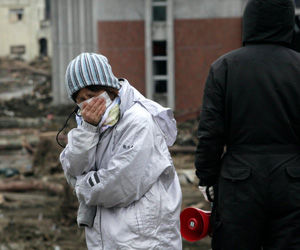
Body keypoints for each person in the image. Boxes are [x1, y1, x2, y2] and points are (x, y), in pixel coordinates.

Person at [195, 0, 300, 249]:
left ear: (249, 22)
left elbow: (210, 133)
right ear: (288, 23)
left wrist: (206, 177)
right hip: (293, 181)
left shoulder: (224, 68)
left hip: (238, 182)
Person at [59, 53, 182, 249]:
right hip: (106, 240)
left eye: (91, 96)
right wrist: (87, 130)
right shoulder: (89, 126)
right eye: (81, 100)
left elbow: (118, 184)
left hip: (142, 241)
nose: (88, 104)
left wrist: (81, 187)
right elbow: (72, 167)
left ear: (108, 87)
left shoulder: (138, 121)